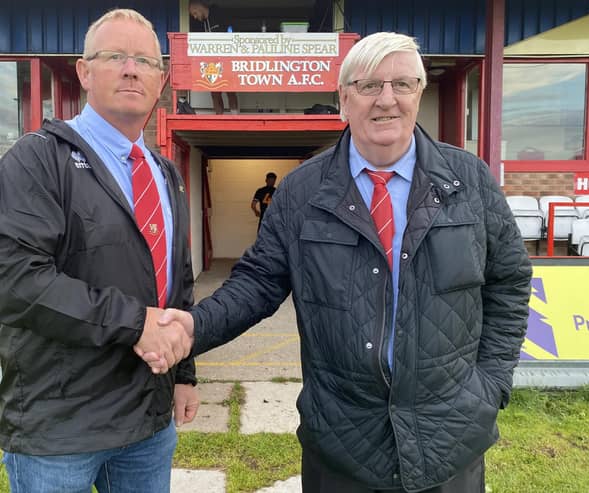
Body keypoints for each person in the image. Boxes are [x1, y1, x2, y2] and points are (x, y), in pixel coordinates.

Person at [152, 32, 532, 492]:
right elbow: (257, 283)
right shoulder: (302, 192)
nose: (386, 100)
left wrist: (490, 385)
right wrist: (193, 328)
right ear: (343, 99)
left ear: (419, 92)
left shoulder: (468, 181)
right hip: (341, 445)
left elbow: (508, 282)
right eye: (369, 85)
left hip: (449, 440)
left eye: (402, 84)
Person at [0, 9, 196, 493]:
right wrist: (134, 323)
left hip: (148, 424)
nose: (131, 69)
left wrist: (186, 373)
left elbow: (178, 282)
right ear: (85, 73)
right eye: (115, 57)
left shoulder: (165, 174)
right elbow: (16, 279)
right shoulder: (39, 158)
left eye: (145, 61)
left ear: (161, 80)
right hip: (59, 426)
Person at [189, 0, 240, 115]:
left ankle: (235, 117)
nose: (195, 17)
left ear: (199, 7)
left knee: (230, 90)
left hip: (227, 60)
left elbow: (231, 31)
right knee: (215, 93)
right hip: (212, 62)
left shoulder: (218, 14)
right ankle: (219, 120)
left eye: (195, 13)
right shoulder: (201, 23)